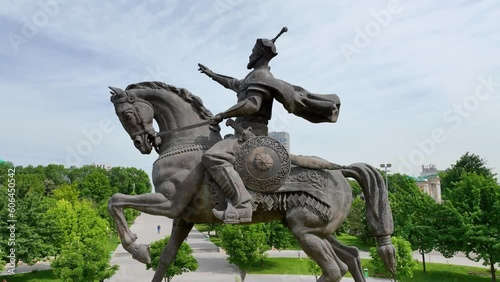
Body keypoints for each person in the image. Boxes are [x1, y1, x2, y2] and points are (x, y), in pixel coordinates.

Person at [198, 27, 341, 224]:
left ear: (258, 55)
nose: (249, 55)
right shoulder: (253, 77)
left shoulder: (262, 78)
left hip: (251, 136)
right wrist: (212, 74)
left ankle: (242, 205)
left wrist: (223, 114)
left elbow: (252, 105)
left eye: (252, 52)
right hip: (240, 134)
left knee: (212, 156)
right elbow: (233, 83)